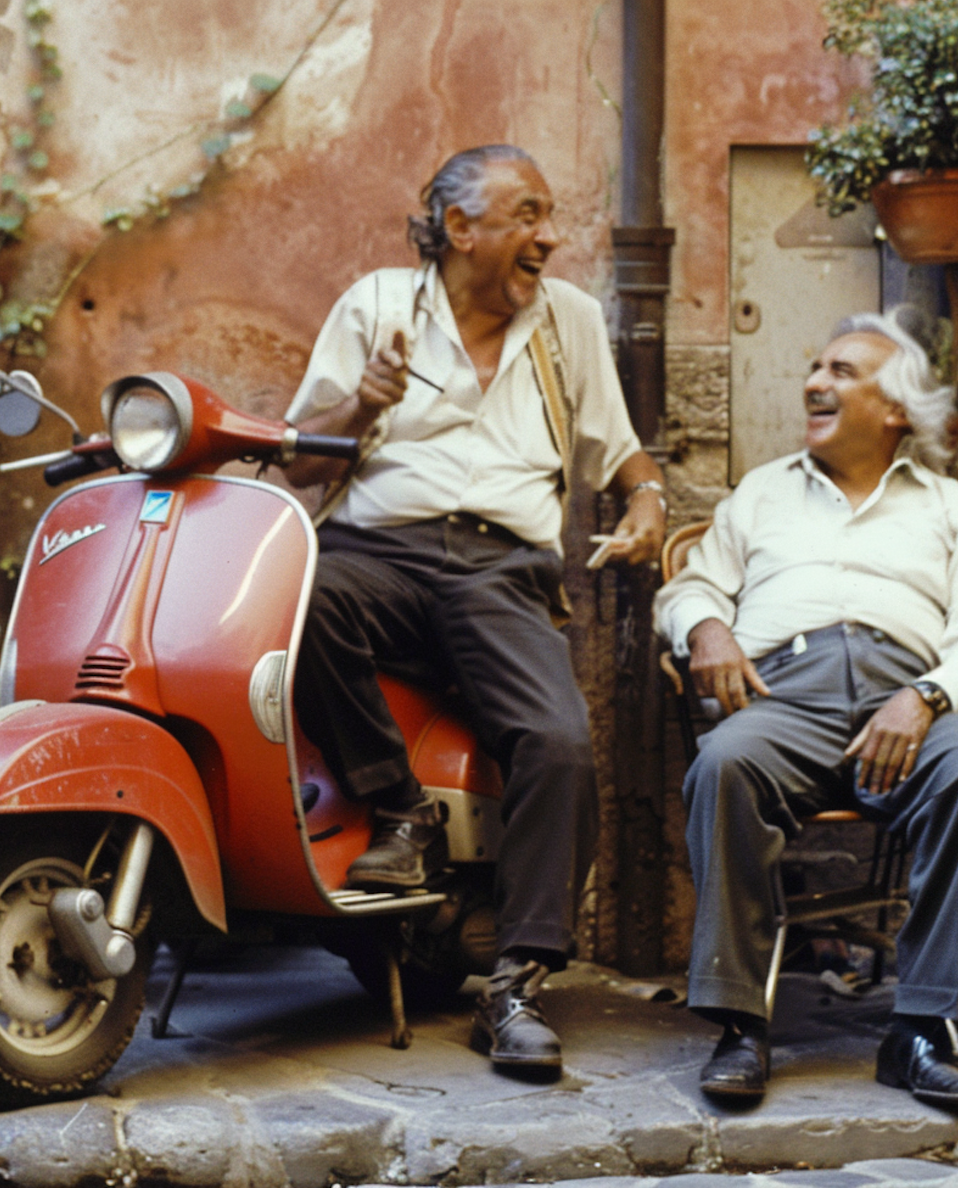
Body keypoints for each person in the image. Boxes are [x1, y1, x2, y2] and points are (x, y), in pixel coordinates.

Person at [283, 145, 666, 1076]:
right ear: (461, 229)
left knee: (560, 741)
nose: (549, 236)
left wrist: (649, 506)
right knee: (299, 596)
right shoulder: (376, 306)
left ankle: (519, 981)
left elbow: (624, 455)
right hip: (378, 555)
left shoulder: (566, 321)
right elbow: (297, 466)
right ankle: (399, 809)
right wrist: (359, 407)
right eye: (527, 215)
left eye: (548, 216)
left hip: (502, 571)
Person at [652, 312, 958, 1112]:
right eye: (815, 367)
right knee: (723, 763)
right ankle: (740, 1024)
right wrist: (707, 626)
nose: (815, 382)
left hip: (907, 699)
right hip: (784, 693)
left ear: (897, 411)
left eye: (842, 371)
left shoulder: (949, 506)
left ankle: (921, 1031)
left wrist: (925, 697)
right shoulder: (763, 491)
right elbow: (691, 585)